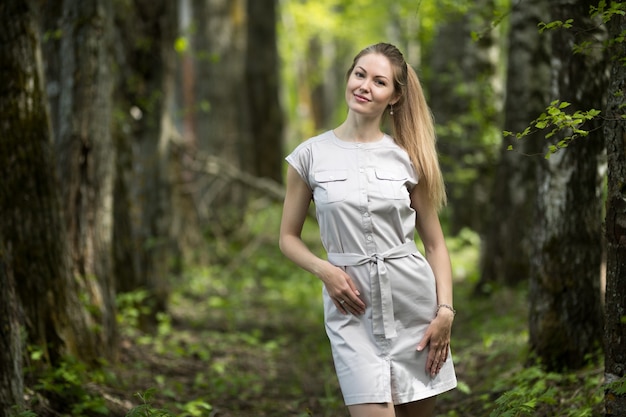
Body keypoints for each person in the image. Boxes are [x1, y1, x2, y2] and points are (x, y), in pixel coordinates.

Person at [279, 42, 457, 417]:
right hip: (351, 311)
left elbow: (436, 245)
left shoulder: (409, 158)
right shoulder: (309, 155)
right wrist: (326, 270)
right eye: (360, 74)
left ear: (394, 97)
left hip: (414, 309)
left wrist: (445, 312)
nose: (365, 86)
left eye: (379, 82)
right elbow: (287, 238)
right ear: (349, 77)